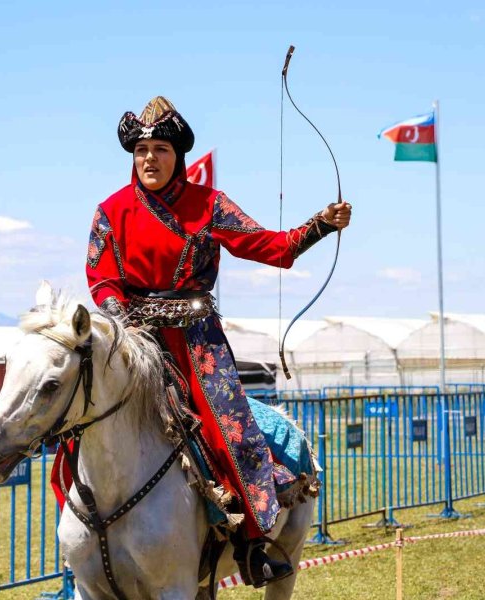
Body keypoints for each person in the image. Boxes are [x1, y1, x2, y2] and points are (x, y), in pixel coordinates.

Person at [80, 96, 351, 587]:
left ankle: (251, 543)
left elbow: (272, 245)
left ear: (177, 155)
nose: (149, 159)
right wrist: (122, 322)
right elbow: (101, 279)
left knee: (233, 434)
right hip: (136, 343)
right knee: (82, 425)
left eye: (159, 148)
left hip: (199, 345)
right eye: (141, 150)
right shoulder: (110, 211)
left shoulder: (208, 205)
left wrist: (320, 225)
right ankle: (84, 540)